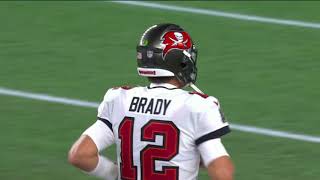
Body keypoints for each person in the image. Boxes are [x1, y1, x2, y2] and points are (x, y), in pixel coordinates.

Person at [68, 23, 234, 180]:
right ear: (181, 62)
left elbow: (80, 155)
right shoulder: (198, 106)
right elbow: (222, 174)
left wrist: (116, 175)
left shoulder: (119, 99)